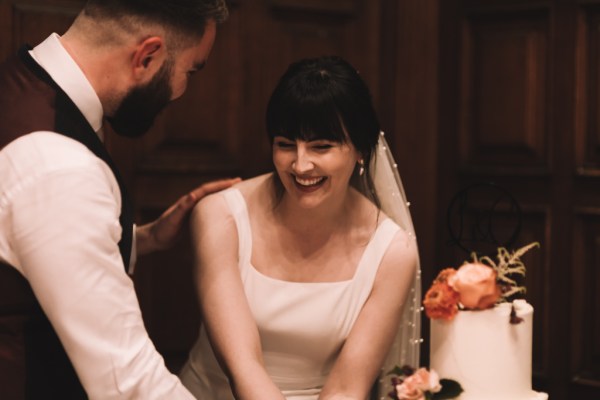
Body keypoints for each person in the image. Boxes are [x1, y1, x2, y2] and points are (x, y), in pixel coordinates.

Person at [0, 0, 238, 398]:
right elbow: (127, 381)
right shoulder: (59, 168)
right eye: (190, 71)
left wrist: (141, 238)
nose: (182, 91)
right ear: (147, 55)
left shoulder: (21, 79)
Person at [179, 56, 422, 399]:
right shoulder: (220, 217)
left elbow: (347, 387)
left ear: (360, 151)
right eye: (286, 144)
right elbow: (243, 367)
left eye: (321, 146)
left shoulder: (391, 251)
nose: (300, 164)